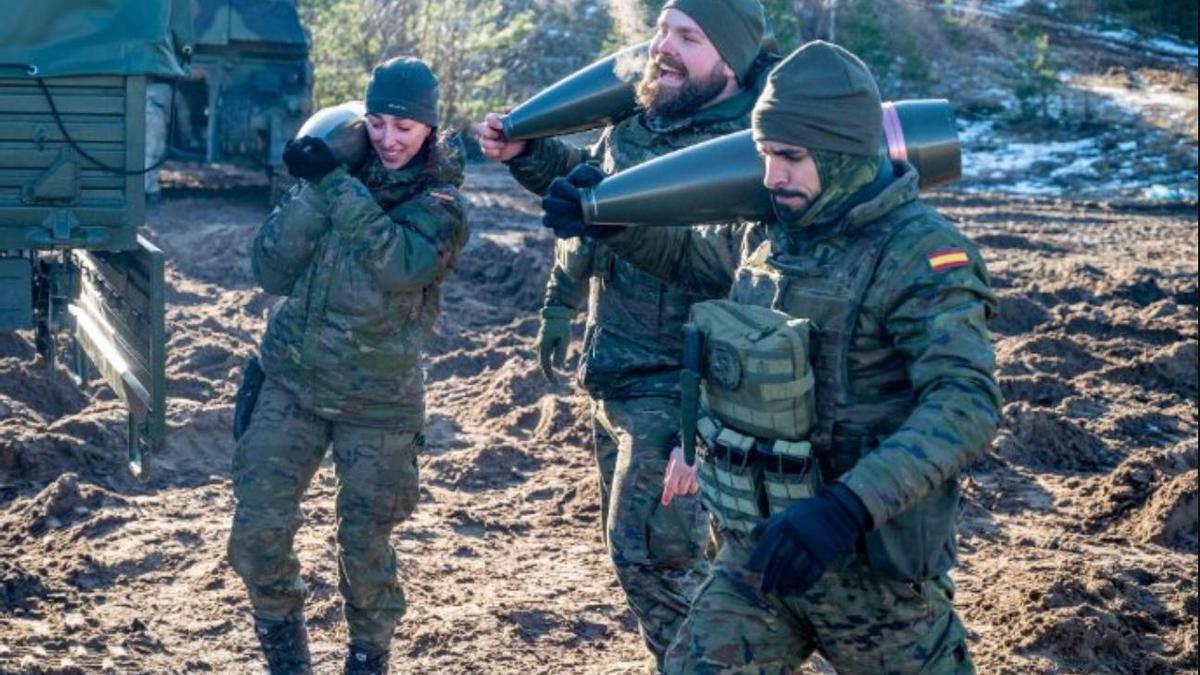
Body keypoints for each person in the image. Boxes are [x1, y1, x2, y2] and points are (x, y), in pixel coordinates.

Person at [541, 41, 1000, 674]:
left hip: (875, 576)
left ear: (844, 152)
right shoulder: (771, 227)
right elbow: (691, 262)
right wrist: (608, 220)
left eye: (791, 157)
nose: (771, 176)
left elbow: (964, 404)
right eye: (763, 155)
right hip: (757, 556)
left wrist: (846, 508)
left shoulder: (922, 255)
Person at [475, 1, 773, 670]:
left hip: (684, 386)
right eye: (663, 28)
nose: (662, 47)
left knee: (651, 555)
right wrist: (529, 157)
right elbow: (591, 194)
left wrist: (702, 424)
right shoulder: (643, 116)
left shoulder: (755, 150)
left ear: (730, 60)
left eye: (688, 37)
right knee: (672, 561)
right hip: (616, 371)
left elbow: (726, 271)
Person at [227, 57, 469, 675]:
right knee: (255, 539)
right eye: (380, 123)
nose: (390, 140)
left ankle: (368, 661)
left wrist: (333, 184)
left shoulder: (440, 202)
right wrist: (312, 185)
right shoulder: (335, 173)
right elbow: (270, 271)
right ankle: (287, 660)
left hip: (378, 407)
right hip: (291, 386)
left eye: (407, 128)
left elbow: (398, 267)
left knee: (364, 552)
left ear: (431, 132)